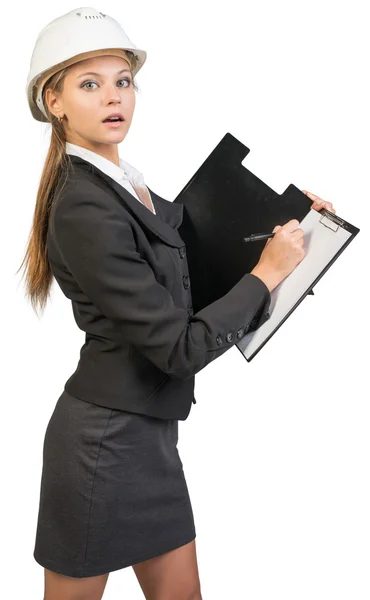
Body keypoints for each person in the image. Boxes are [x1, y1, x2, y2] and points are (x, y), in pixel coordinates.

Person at [20, 6, 336, 600]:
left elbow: (194, 253)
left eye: (123, 81)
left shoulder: (124, 181)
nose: (114, 97)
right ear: (54, 101)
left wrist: (297, 225)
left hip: (148, 436)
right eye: (89, 84)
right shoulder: (84, 205)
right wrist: (267, 274)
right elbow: (178, 347)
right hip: (101, 446)